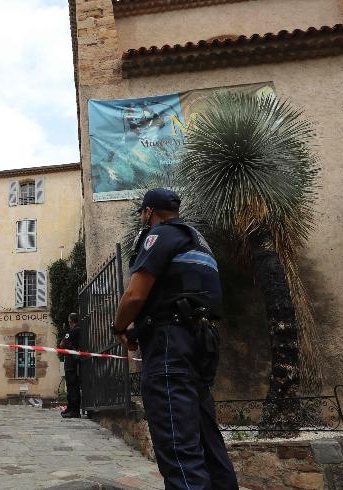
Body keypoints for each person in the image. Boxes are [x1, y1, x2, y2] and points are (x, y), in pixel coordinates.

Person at [112, 188, 238, 490]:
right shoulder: (197, 240)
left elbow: (135, 295)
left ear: (148, 213)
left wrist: (120, 328)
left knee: (179, 450)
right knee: (209, 445)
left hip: (170, 345)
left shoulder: (159, 236)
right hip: (201, 343)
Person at [58, 312, 82, 419]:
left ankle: (74, 411)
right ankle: (70, 408)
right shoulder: (80, 330)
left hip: (71, 362)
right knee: (72, 386)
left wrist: (65, 337)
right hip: (74, 361)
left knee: (72, 386)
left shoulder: (73, 331)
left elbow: (62, 344)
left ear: (70, 321)